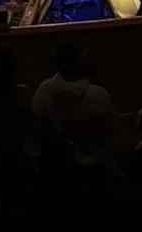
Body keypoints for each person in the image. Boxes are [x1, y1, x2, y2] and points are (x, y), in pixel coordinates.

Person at [31, 42, 117, 171]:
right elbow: (113, 128)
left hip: (55, 168)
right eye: (85, 59)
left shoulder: (43, 93)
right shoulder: (99, 96)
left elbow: (38, 127)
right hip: (93, 168)